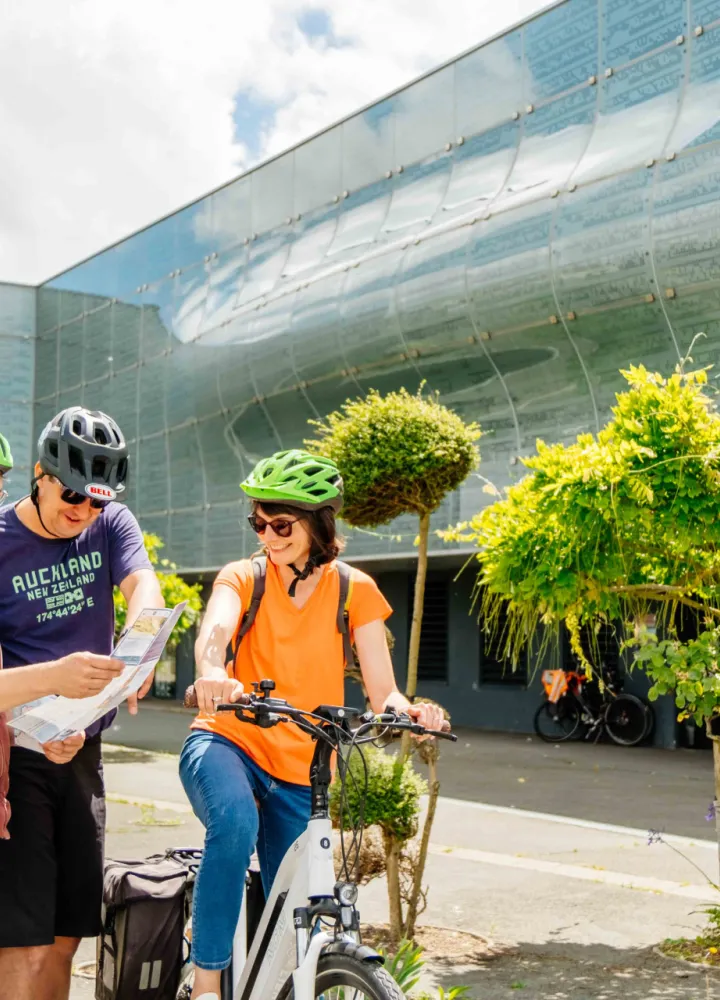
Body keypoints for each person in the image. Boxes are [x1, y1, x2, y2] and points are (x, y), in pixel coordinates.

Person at [180, 449, 445, 1000]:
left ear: (319, 525)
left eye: (281, 525)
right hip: (227, 738)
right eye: (259, 523)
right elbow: (215, 633)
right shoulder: (244, 577)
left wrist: (412, 713)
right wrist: (211, 671)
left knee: (294, 904)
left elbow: (383, 691)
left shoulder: (356, 591)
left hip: (302, 764)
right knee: (232, 824)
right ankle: (205, 986)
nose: (268, 536)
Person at [0, 407, 163, 1000]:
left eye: (96, 501)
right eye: (72, 494)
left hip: (83, 754)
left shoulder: (110, 523)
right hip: (13, 761)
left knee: (69, 933)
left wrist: (143, 638)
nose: (83, 512)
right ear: (40, 474)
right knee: (23, 940)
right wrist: (50, 693)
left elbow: (143, 585)